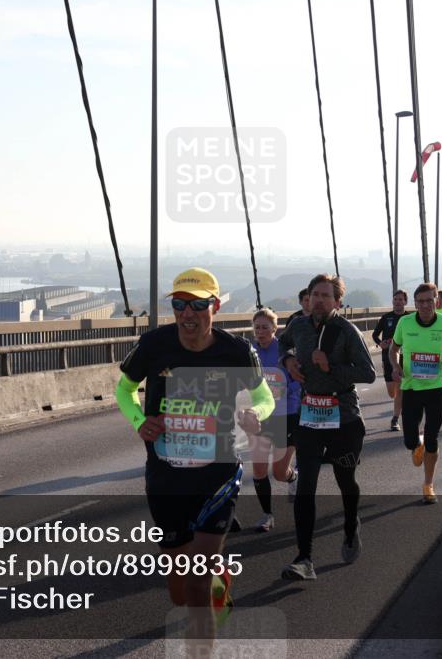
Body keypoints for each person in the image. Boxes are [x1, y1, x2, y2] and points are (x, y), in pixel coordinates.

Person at [115, 268, 275, 644]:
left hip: (217, 471)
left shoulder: (237, 351)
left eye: (199, 305)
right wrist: (140, 420)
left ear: (215, 306)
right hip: (166, 474)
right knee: (178, 590)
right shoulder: (153, 345)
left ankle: (202, 647)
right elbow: (124, 390)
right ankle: (220, 582)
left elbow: (265, 397)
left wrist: (257, 415)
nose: (188, 314)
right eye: (179, 305)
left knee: (196, 578)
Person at [278, 273, 376, 580]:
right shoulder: (298, 326)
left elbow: (368, 373)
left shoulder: (346, 331)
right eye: (314, 294)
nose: (318, 299)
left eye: (325, 295)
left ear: (337, 302)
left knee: (345, 480)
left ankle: (350, 526)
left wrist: (330, 367)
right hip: (309, 415)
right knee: (306, 484)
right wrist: (288, 361)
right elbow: (284, 344)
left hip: (343, 418)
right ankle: (304, 558)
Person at [390, 283, 442, 504]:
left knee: (433, 437)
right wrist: (395, 367)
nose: (424, 305)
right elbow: (393, 349)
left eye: (429, 300)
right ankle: (417, 443)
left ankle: (428, 484)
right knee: (409, 441)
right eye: (420, 301)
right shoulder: (405, 323)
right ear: (415, 303)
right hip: (411, 388)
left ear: (437, 301)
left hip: (436, 387)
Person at [247, 308, 300, 532]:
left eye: (265, 327)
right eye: (257, 327)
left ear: (274, 329)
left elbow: (297, 380)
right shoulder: (249, 353)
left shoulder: (285, 352)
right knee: (259, 469)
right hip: (260, 417)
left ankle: (292, 476)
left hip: (286, 415)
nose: (260, 331)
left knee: (279, 473)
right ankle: (267, 515)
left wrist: (284, 389)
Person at [372, 290, 410, 431]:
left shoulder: (410, 318)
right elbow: (375, 334)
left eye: (400, 299)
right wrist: (380, 343)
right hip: (387, 357)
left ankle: (395, 419)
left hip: (404, 357)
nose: (398, 301)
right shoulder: (386, 317)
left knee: (400, 389)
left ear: (405, 302)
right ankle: (397, 403)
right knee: (391, 392)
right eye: (395, 299)